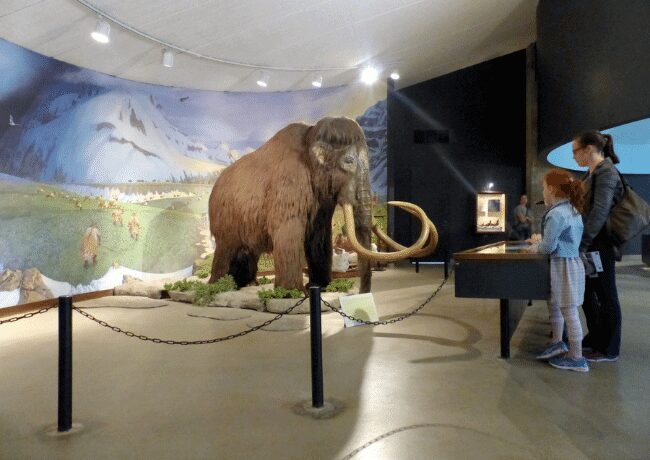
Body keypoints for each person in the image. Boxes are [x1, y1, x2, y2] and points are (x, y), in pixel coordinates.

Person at [526, 169, 588, 372]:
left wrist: (535, 246)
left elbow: (547, 247)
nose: (542, 192)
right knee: (558, 305)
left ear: (551, 189)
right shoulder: (572, 209)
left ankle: (576, 357)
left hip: (563, 265)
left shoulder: (556, 214)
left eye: (543, 188)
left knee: (568, 310)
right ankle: (557, 342)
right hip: (572, 263)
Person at [572, 131, 624, 362]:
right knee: (588, 291)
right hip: (591, 243)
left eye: (576, 151)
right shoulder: (590, 174)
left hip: (600, 244)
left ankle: (609, 347)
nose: (574, 157)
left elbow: (600, 211)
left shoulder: (607, 172)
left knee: (605, 293)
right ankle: (596, 337)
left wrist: (582, 243)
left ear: (589, 148)